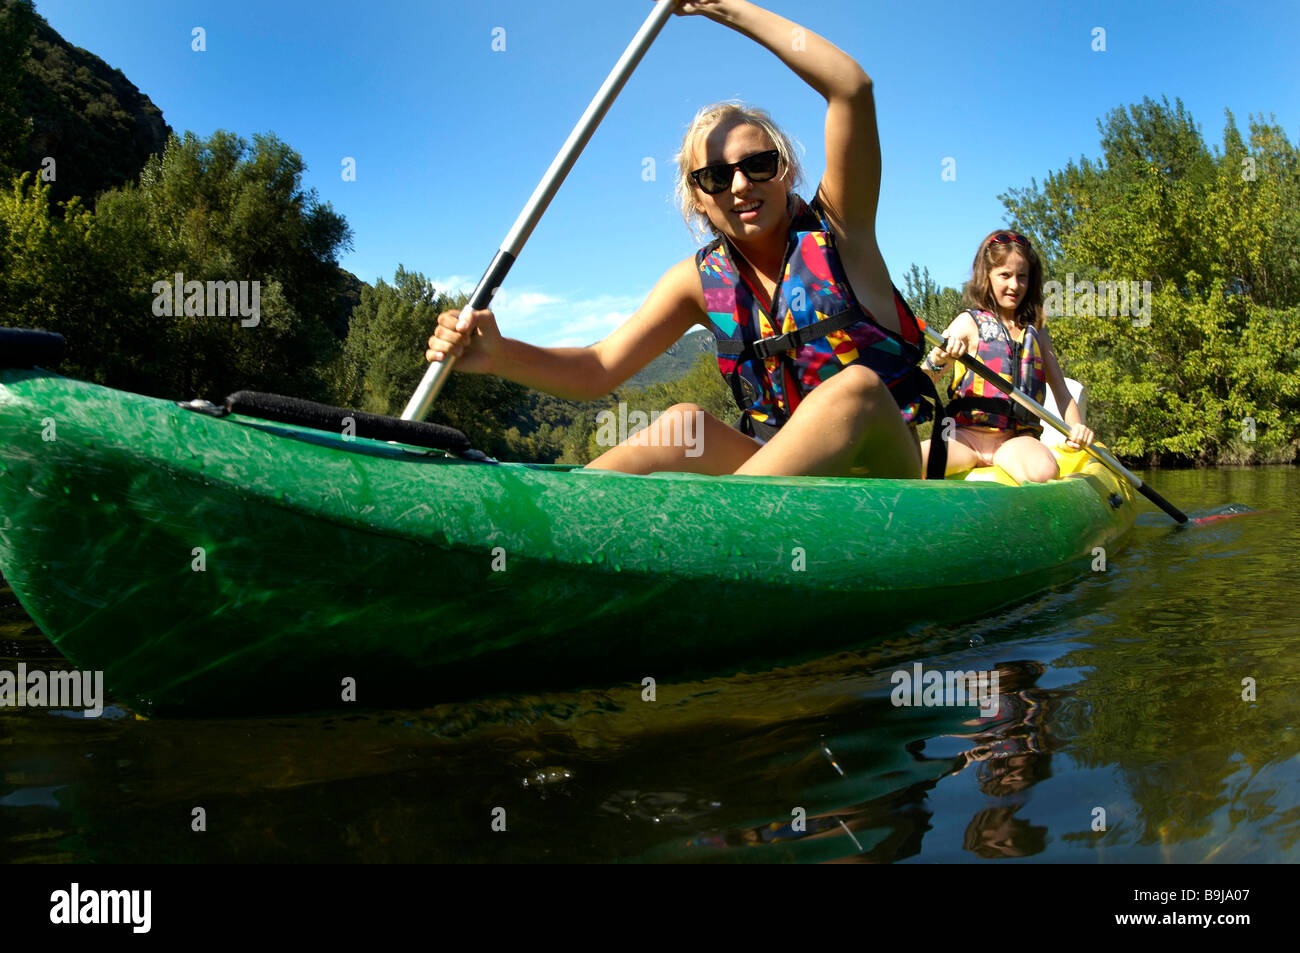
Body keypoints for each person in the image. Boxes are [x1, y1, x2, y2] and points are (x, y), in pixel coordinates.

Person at [425, 0, 943, 478]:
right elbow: (599, 368)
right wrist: (500, 354)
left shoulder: (841, 229)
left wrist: (720, 6)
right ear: (698, 197)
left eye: (759, 165)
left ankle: (725, 536)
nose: (740, 185)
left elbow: (851, 88)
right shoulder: (697, 281)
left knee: (853, 388)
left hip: (882, 474)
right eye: (716, 177)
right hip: (773, 472)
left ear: (786, 172)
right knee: (684, 423)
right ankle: (551, 526)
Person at [919, 231, 1094, 483]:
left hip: (1015, 440)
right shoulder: (967, 323)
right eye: (1005, 275)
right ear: (987, 276)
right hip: (964, 436)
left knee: (1043, 473)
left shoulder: (1037, 331)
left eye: (1022, 277)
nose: (1014, 285)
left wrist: (1075, 428)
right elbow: (923, 382)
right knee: (910, 463)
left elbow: (1060, 389)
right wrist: (939, 356)